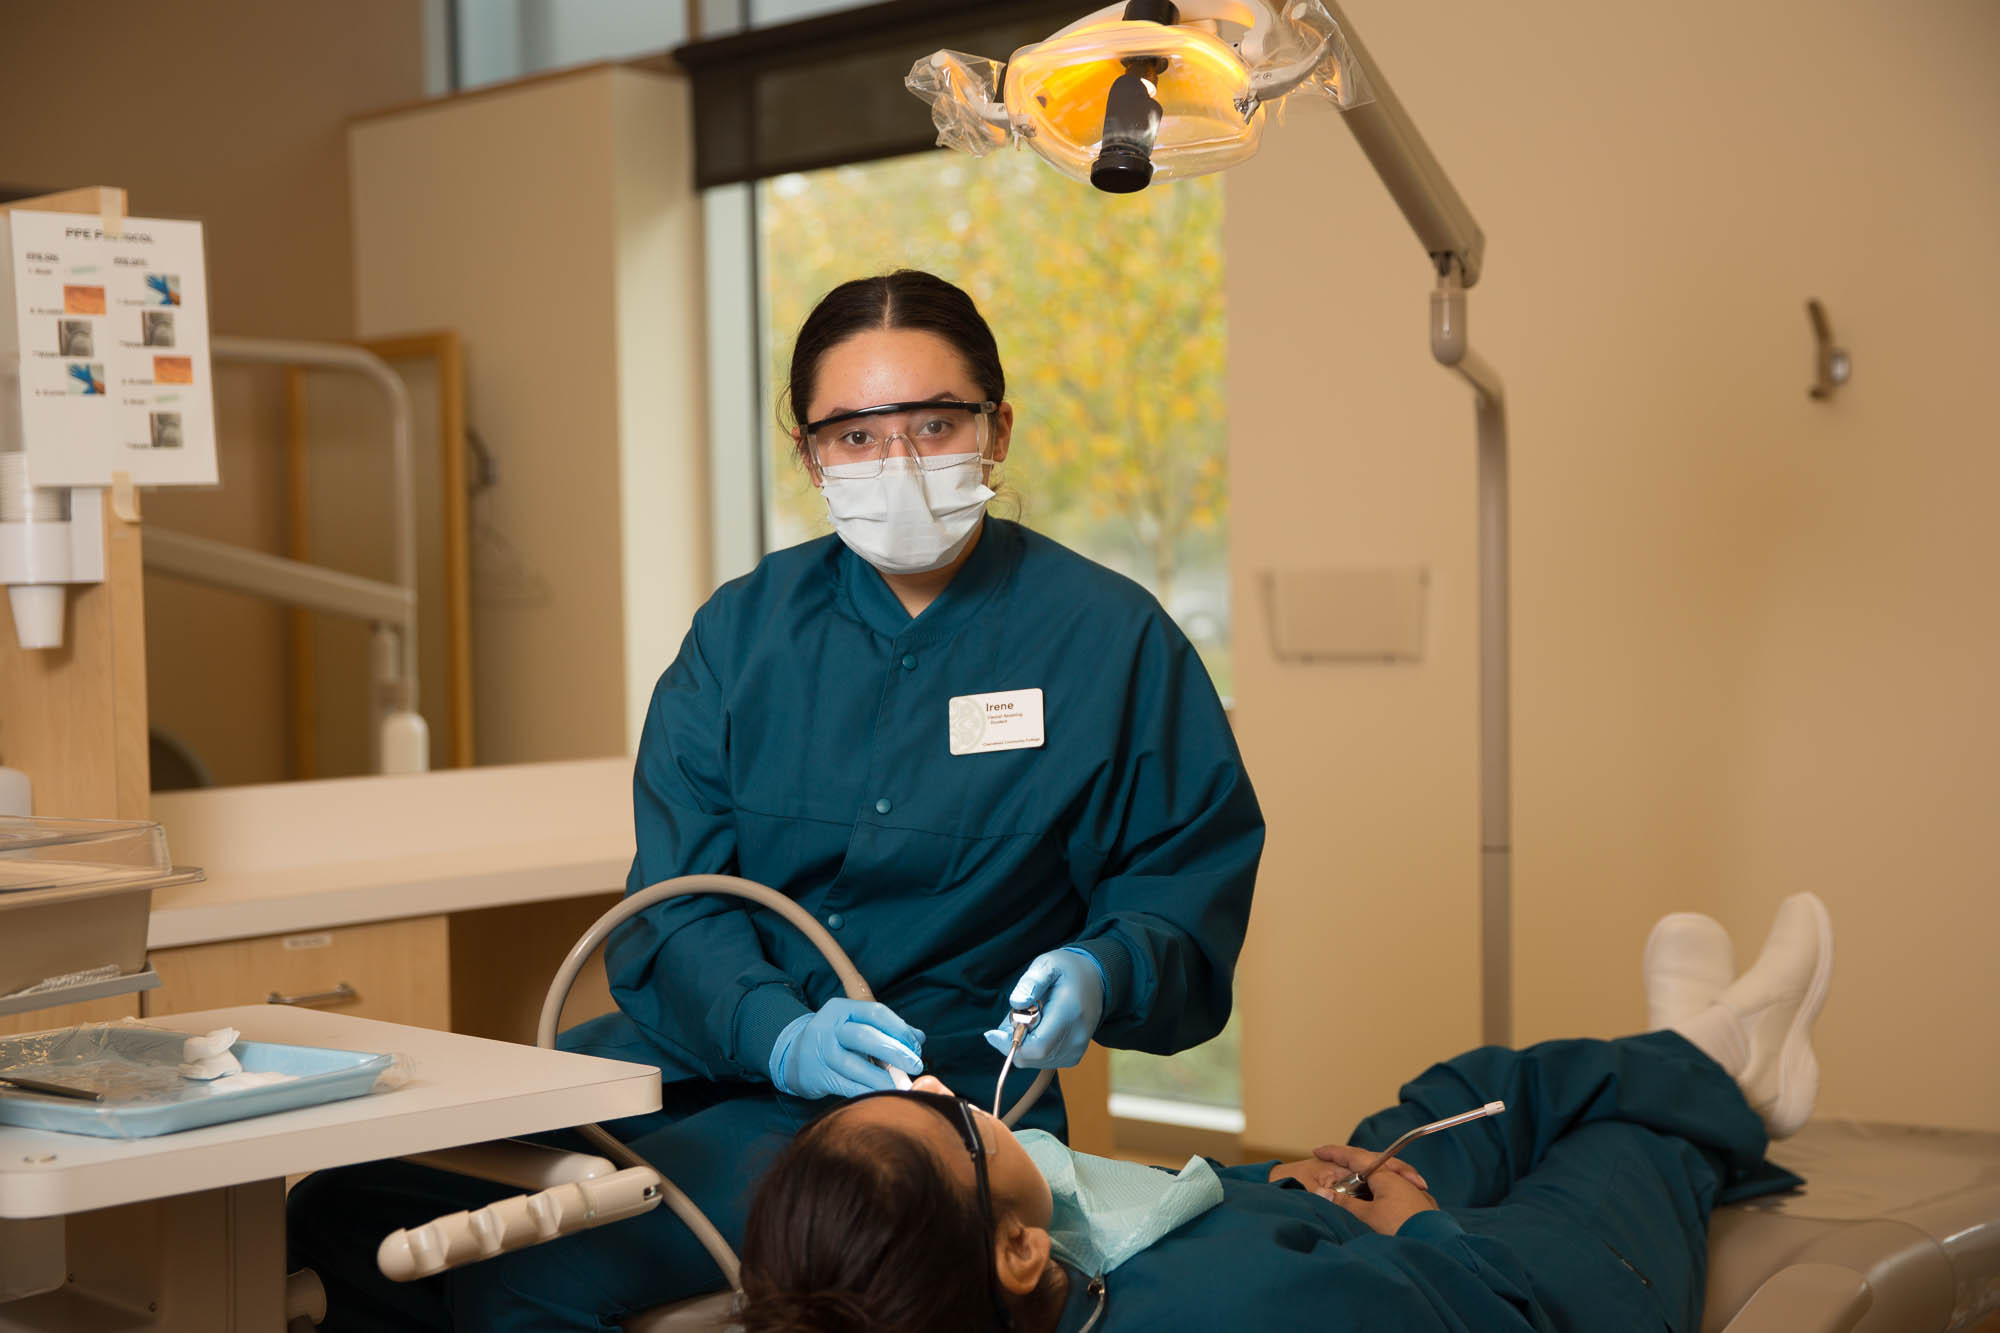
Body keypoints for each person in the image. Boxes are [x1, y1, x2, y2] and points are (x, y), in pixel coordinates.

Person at [286, 270, 1264, 1329]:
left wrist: (1103, 964)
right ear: (805, 452)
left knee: (503, 1279)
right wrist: (777, 1033)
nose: (897, 464)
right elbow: (675, 910)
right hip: (690, 1061)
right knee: (341, 1206)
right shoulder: (741, 638)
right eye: (852, 435)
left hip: (916, 1125)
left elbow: (1180, 884)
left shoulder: (1106, 641)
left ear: (997, 429)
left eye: (934, 424)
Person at [735, 893, 1835, 1333]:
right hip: (1513, 1288)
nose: (940, 1088)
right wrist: (1414, 1227)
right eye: (951, 1120)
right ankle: (1720, 1063)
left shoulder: (1032, 1282)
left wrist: (1269, 1196)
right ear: (1017, 1250)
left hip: (1309, 1225)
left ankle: (1699, 1048)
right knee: (1602, 1148)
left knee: (1454, 1097)